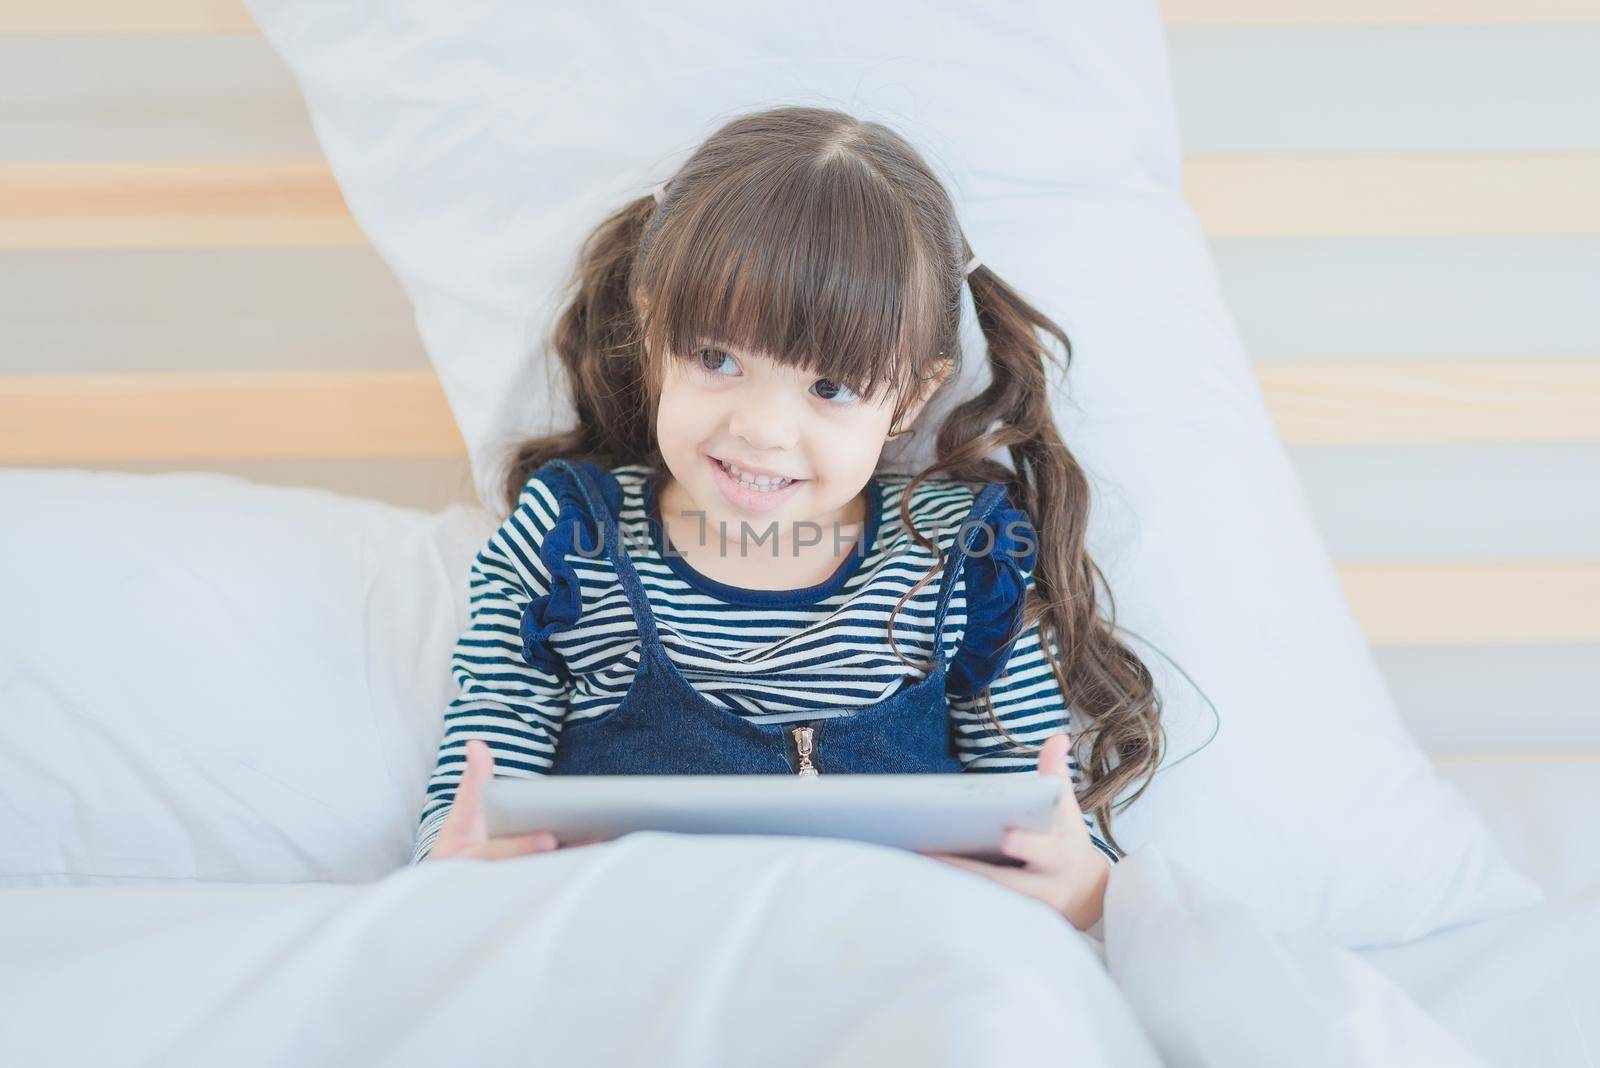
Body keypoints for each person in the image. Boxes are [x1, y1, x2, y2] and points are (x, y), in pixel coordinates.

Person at [411, 105, 1166, 933]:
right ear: (652, 325)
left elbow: (1057, 839)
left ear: (913, 394)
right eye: (715, 359)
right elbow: (471, 806)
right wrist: (454, 875)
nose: (762, 430)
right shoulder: (565, 542)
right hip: (636, 963)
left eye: (830, 389)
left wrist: (1082, 888)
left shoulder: (962, 555)